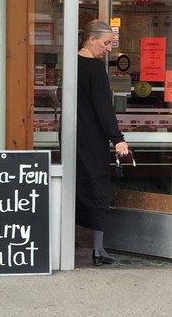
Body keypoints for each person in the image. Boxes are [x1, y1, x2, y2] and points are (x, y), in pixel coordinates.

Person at [76, 19, 130, 266]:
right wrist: (117, 138)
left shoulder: (71, 64)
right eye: (107, 43)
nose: (109, 48)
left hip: (72, 136)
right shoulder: (95, 68)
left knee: (75, 186)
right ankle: (98, 249)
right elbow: (103, 108)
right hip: (93, 138)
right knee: (98, 187)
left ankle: (70, 238)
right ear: (92, 39)